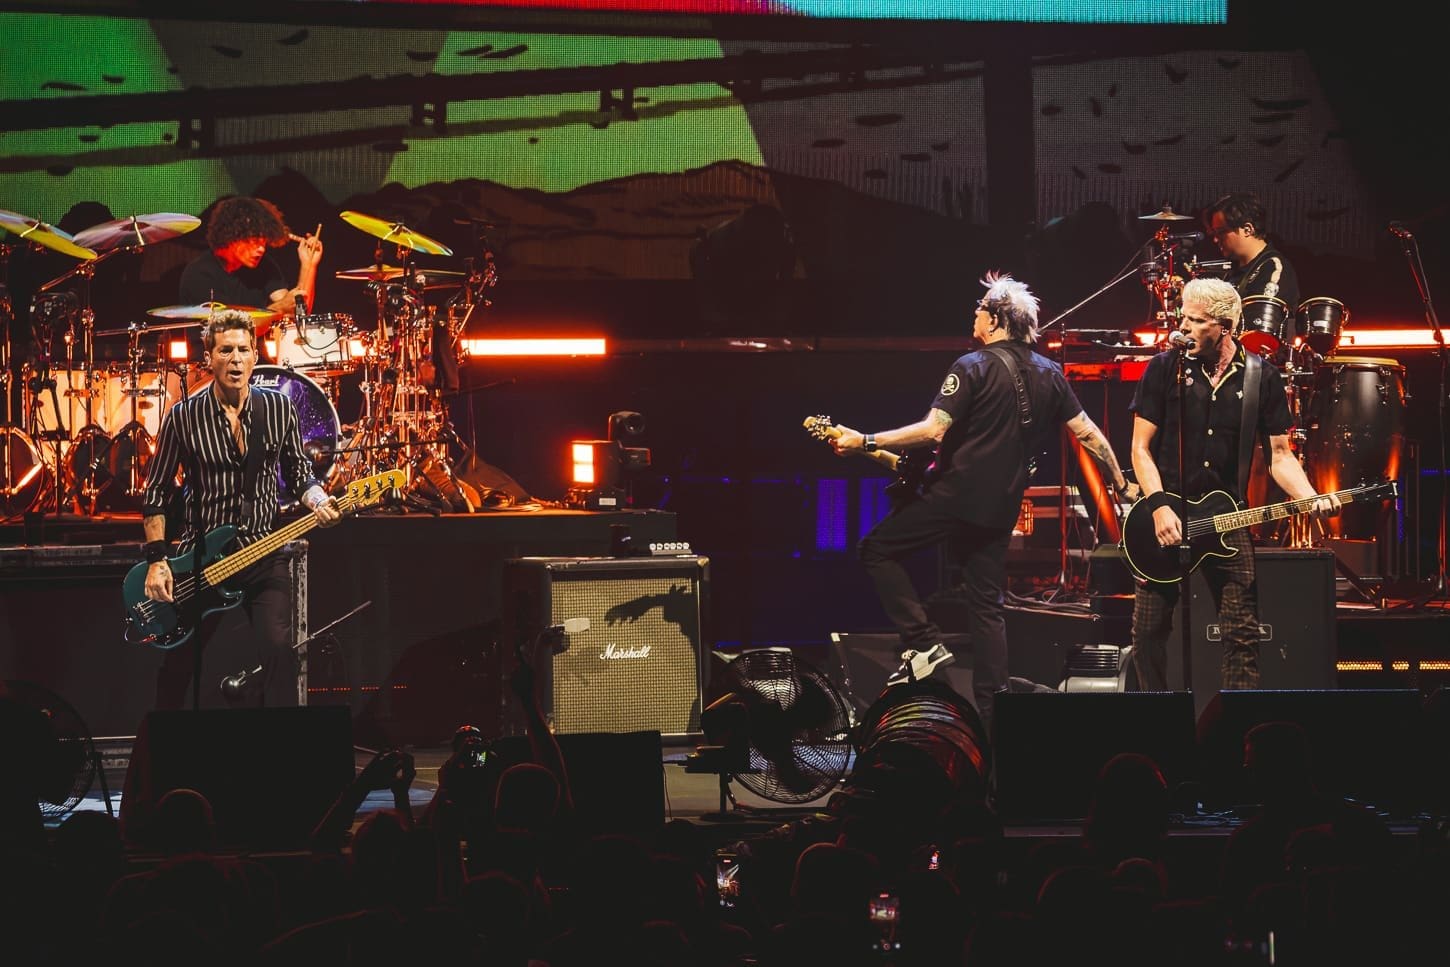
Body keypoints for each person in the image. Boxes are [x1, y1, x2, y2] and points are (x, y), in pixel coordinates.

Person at [830, 272, 1138, 731]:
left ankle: (921, 641)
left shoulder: (971, 365)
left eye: (979, 309)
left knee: (876, 549)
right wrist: (1120, 482)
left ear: (994, 320)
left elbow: (933, 430)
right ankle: (995, 719)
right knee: (986, 604)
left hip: (955, 496)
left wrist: (865, 440)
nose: (972, 315)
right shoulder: (1051, 373)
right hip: (1000, 508)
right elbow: (1089, 435)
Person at [1128, 277, 1338, 692]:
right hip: (1165, 516)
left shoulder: (1262, 377)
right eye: (1183, 317)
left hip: (1229, 518)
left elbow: (1280, 456)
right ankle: (1156, 721)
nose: (1183, 328)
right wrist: (1158, 507)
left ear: (1226, 327)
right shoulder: (1164, 368)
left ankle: (1236, 732)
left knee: (1242, 636)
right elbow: (1140, 449)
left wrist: (1310, 497)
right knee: (1147, 634)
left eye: (1196, 321)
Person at [139, 310, 341, 709]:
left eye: (244, 350)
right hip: (203, 559)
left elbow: (300, 474)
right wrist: (157, 560)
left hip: (263, 553)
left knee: (280, 649)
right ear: (209, 358)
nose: (236, 359)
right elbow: (157, 491)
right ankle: (163, 755)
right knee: (179, 663)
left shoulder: (278, 409)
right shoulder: (184, 417)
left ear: (255, 355)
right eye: (226, 350)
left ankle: (279, 754)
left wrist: (319, 502)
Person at [177, 195, 323, 332]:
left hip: (257, 356)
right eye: (254, 242)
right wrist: (279, 308)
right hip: (212, 356)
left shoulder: (264, 266)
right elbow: (232, 331)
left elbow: (296, 311)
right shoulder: (200, 273)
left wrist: (308, 265)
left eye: (264, 242)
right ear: (232, 236)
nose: (261, 249)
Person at [1203, 192, 1299, 348]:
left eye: (1221, 232)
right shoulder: (1232, 272)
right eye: (1214, 233)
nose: (1215, 239)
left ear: (1247, 229)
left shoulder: (1273, 268)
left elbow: (1257, 336)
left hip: (1259, 364)